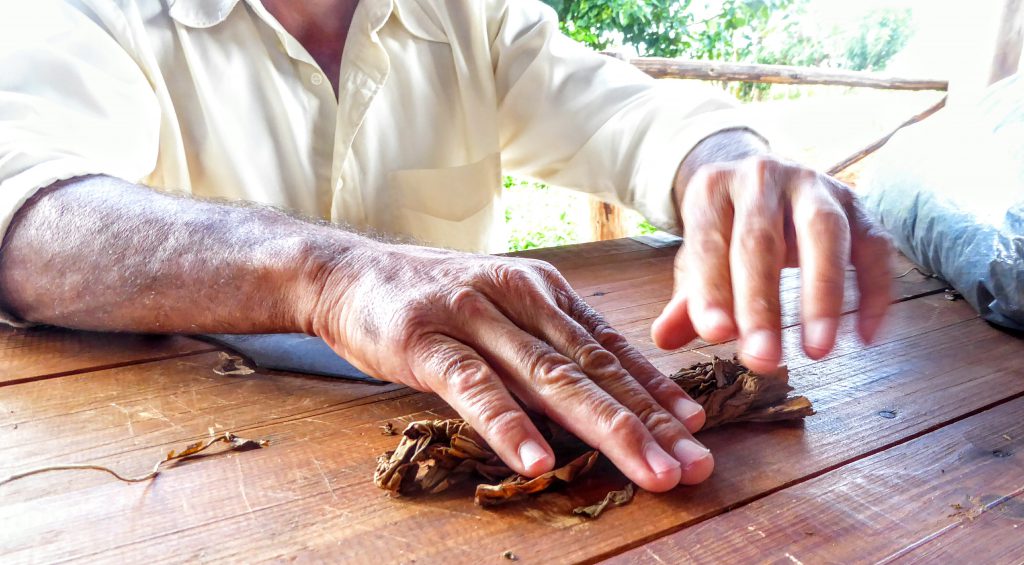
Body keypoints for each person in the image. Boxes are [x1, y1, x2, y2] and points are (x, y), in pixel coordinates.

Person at [0, 0, 892, 493]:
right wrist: (335, 275)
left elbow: (634, 117)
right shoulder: (88, 16)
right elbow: (26, 216)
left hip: (480, 476)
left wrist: (726, 163)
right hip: (191, 492)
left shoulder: (473, 18)